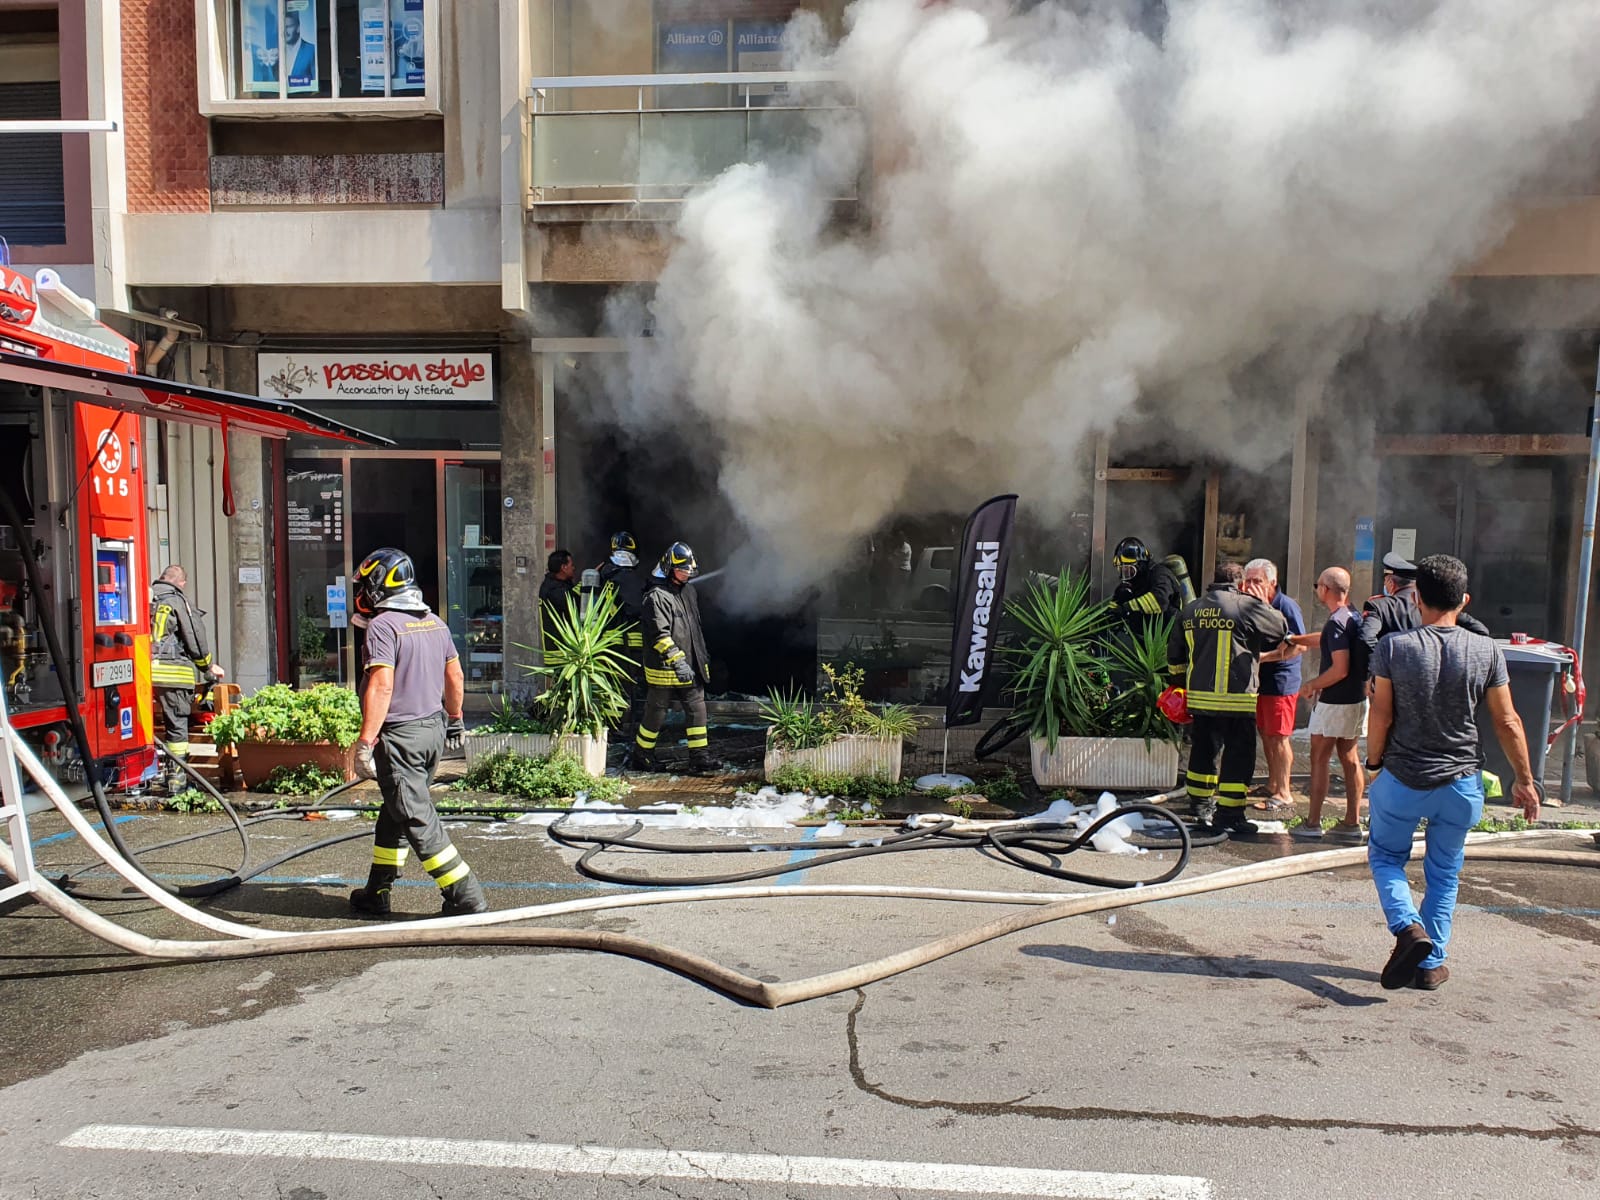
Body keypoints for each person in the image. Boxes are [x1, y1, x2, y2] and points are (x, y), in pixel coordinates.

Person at [1364, 554, 1538, 991]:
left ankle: (1408, 929)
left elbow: (1380, 715)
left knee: (1386, 857)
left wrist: (1373, 765)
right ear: (1464, 600)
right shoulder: (1486, 650)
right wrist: (1526, 781)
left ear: (1416, 597)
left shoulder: (1394, 647)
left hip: (1402, 778)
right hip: (1460, 783)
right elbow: (1508, 722)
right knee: (1444, 872)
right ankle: (1431, 964)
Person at [348, 547, 487, 918]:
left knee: (416, 817)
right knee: (395, 812)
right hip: (432, 732)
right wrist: (456, 718)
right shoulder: (434, 622)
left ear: (380, 584)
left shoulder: (384, 626)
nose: (361, 594)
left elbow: (381, 686)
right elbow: (455, 675)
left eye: (365, 585)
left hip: (400, 739)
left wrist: (365, 743)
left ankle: (465, 894)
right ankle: (377, 890)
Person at [1167, 561, 1289, 836]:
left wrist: (1179, 685)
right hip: (1237, 701)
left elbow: (1174, 656)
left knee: (1202, 754)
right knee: (1238, 756)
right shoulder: (1244, 605)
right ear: (1241, 582)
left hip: (1201, 700)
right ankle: (1230, 814)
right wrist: (1262, 603)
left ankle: (1199, 805)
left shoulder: (1192, 608)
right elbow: (1280, 629)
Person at [1290, 567, 1368, 842]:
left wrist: (1312, 684)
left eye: (1317, 585)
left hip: (1335, 701)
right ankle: (1351, 822)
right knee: (1350, 757)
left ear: (1325, 589)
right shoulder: (1353, 615)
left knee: (1319, 757)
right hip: (1356, 699)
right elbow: (1325, 640)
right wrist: (1295, 640)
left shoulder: (1336, 623)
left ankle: (1312, 823)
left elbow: (1340, 668)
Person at [632, 542, 713, 774]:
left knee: (697, 709)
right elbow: (660, 636)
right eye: (682, 569)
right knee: (656, 713)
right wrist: (678, 661)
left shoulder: (689, 591)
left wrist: (701, 659)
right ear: (669, 568)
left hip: (690, 666)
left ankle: (699, 756)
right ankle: (642, 754)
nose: (686, 573)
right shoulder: (655, 597)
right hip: (664, 668)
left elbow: (693, 629)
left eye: (689, 570)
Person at [149, 565, 225, 794]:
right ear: (181, 583)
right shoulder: (178, 602)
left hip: (142, 675)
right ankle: (177, 780)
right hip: (172, 674)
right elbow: (195, 640)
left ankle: (151, 773)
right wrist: (208, 668)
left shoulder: (145, 598)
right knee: (177, 727)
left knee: (147, 727)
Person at [1358, 551, 1491, 674]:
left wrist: (1382, 668)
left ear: (1390, 583)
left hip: (1391, 681)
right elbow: (1481, 631)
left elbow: (1366, 639)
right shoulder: (1436, 604)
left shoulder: (1380, 606)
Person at [1241, 558, 1305, 814]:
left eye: (1258, 581)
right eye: (1249, 581)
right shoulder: (1249, 604)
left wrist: (1265, 658)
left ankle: (1284, 792)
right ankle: (1272, 784)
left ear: (1272, 583)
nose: (1252, 586)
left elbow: (1298, 644)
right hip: (1261, 681)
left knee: (1279, 737)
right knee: (1266, 735)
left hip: (1281, 680)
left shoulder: (1286, 606)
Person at [597, 531, 647, 710]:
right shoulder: (628, 578)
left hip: (606, 642)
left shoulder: (605, 575)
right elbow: (636, 608)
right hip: (627, 643)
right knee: (626, 687)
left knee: (611, 686)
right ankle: (622, 726)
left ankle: (611, 727)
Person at [1111, 536, 1182, 638]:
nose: (1125, 574)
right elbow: (1115, 607)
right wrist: (1110, 613)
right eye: (1122, 571)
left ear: (1140, 565)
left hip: (1170, 638)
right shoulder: (1132, 584)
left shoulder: (1160, 574)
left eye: (1128, 569)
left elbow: (1160, 600)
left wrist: (1126, 607)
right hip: (1145, 638)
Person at [539, 550, 576, 648]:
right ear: (563, 567)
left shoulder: (557, 584)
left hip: (564, 646)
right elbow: (572, 604)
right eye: (571, 565)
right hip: (559, 649)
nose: (574, 568)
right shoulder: (553, 589)